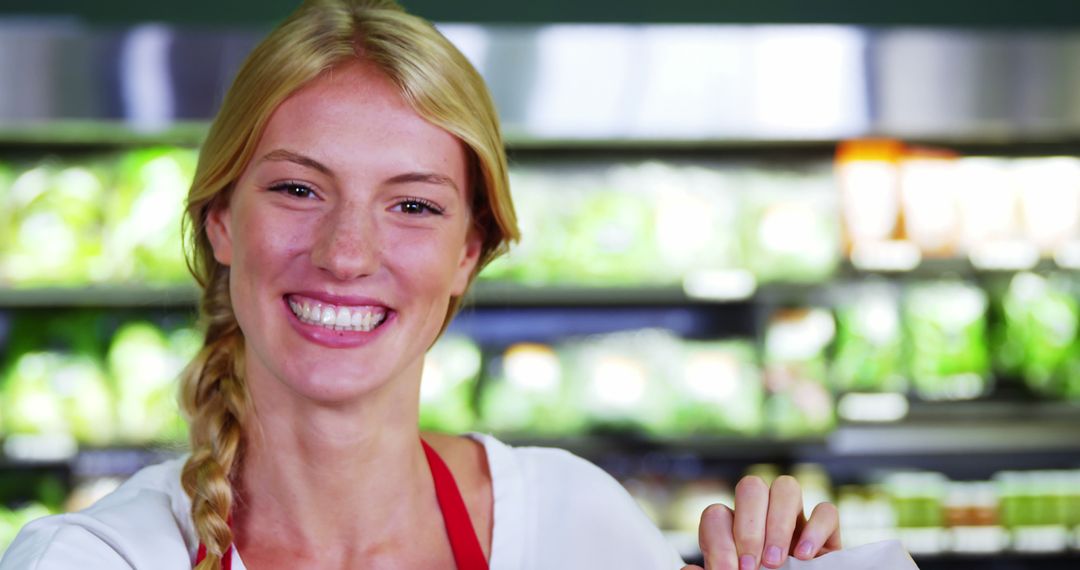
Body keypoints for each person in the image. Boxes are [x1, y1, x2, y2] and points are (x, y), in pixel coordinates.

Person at [0, 1, 840, 569]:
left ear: (468, 253)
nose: (346, 253)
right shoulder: (100, 557)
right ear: (222, 220)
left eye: (412, 204)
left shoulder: (571, 526)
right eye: (298, 189)